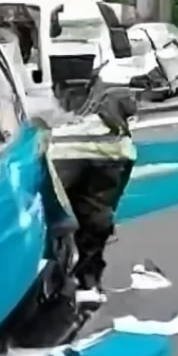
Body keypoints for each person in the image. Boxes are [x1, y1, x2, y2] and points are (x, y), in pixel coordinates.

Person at [45, 82, 137, 306]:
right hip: (104, 162)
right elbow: (118, 184)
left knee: (51, 217)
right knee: (96, 219)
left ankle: (53, 275)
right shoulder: (120, 138)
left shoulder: (62, 122)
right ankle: (86, 281)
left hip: (61, 156)